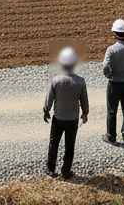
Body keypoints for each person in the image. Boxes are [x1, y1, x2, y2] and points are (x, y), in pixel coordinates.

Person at [44, 47, 88, 179]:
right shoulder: (80, 81)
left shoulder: (56, 80)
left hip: (58, 118)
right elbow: (84, 101)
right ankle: (66, 171)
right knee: (70, 146)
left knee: (54, 143)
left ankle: (51, 169)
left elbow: (49, 100)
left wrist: (46, 111)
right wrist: (85, 113)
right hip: (73, 119)